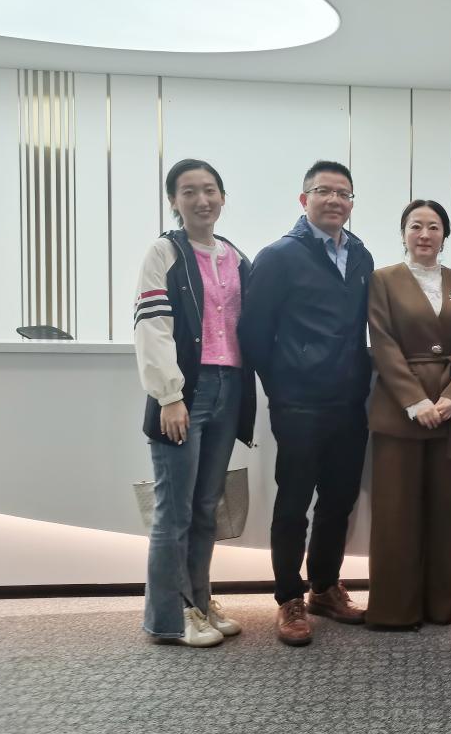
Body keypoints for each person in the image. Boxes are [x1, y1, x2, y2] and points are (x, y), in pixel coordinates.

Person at [237, 160, 374, 646]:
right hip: (298, 403)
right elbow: (253, 331)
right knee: (294, 502)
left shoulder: (360, 255)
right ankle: (288, 598)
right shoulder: (279, 256)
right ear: (304, 199)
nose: (335, 200)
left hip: (349, 401)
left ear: (351, 203)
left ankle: (324, 588)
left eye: (344, 193)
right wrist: (282, 385)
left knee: (339, 499)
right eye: (324, 191)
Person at [134, 158, 255, 647]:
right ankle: (170, 615)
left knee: (206, 507)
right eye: (189, 192)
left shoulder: (235, 256)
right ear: (173, 201)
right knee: (175, 511)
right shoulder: (164, 252)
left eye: (210, 190)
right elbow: (153, 327)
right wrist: (169, 395)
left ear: (223, 197)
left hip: (231, 387)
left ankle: (199, 602)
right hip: (186, 390)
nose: (201, 200)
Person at [364, 200, 451, 628]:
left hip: (450, 414)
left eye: (433, 227)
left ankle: (441, 607)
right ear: (403, 234)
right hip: (399, 413)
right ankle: (395, 610)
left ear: (445, 235)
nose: (425, 234)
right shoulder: (383, 279)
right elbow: (383, 342)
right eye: (416, 226)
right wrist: (415, 401)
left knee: (446, 513)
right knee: (396, 514)